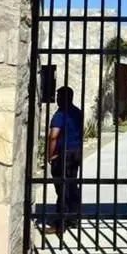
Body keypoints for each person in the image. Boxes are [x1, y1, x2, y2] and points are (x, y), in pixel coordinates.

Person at [44, 86, 83, 235]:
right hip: (76, 152)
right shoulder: (77, 112)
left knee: (62, 188)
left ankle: (60, 224)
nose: (57, 99)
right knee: (72, 185)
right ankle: (73, 217)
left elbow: (53, 136)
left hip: (63, 154)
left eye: (59, 96)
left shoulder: (60, 114)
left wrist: (50, 155)